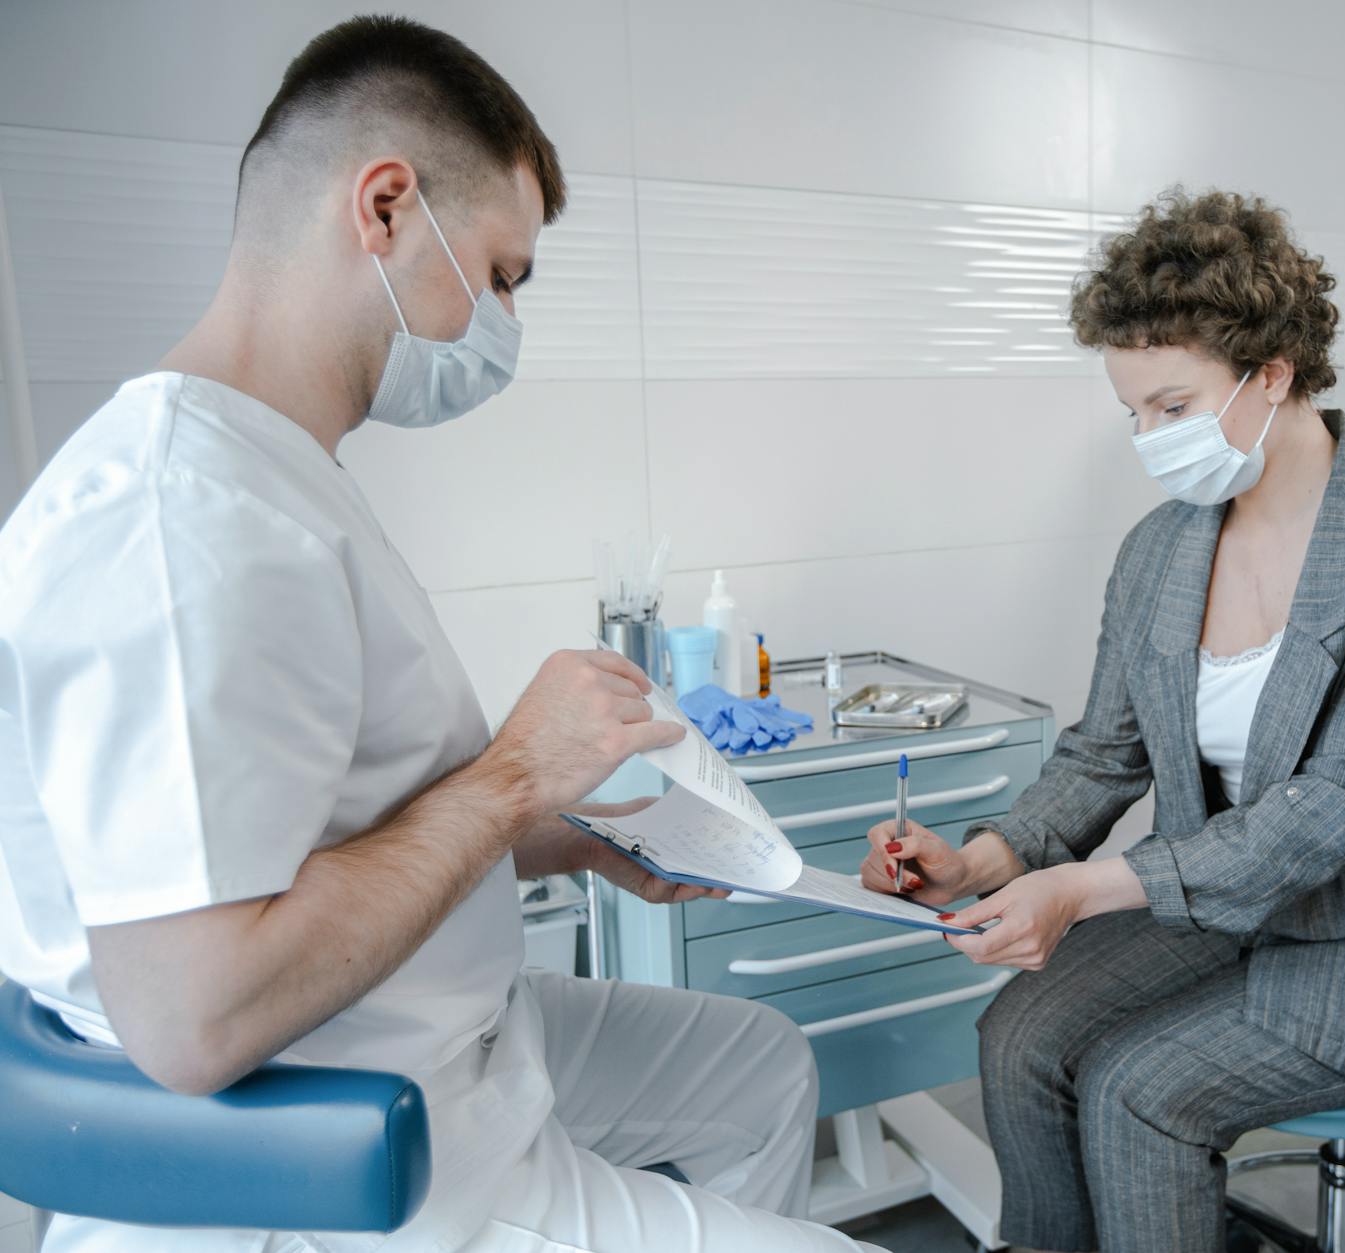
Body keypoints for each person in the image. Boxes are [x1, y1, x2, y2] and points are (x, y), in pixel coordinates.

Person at [0, 17, 884, 1253]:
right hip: (364, 1141)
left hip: (438, 1028)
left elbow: (336, 828)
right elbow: (195, 1017)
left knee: (757, 1064)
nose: (504, 318)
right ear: (383, 208)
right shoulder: (177, 521)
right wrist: (517, 769)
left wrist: (574, 834)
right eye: (501, 274)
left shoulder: (275, 472)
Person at [860, 190, 1345, 1253]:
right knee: (1018, 1039)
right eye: (1133, 412)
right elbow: (1104, 753)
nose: (1149, 439)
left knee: (1141, 1090)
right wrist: (982, 859)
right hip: (1233, 907)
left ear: (1272, 373)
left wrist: (1081, 889)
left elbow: (1330, 808)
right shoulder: (1159, 549)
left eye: (1172, 405)